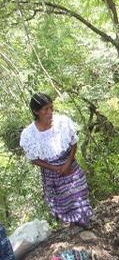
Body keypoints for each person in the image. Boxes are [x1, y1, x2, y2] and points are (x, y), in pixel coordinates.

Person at [19, 93, 93, 227]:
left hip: (70, 166)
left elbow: (74, 143)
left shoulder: (63, 122)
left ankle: (85, 223)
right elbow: (33, 159)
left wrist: (67, 163)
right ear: (36, 112)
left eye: (51, 108)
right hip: (52, 173)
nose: (50, 112)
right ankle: (75, 225)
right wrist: (56, 168)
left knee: (79, 193)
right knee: (64, 202)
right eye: (45, 109)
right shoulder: (29, 134)